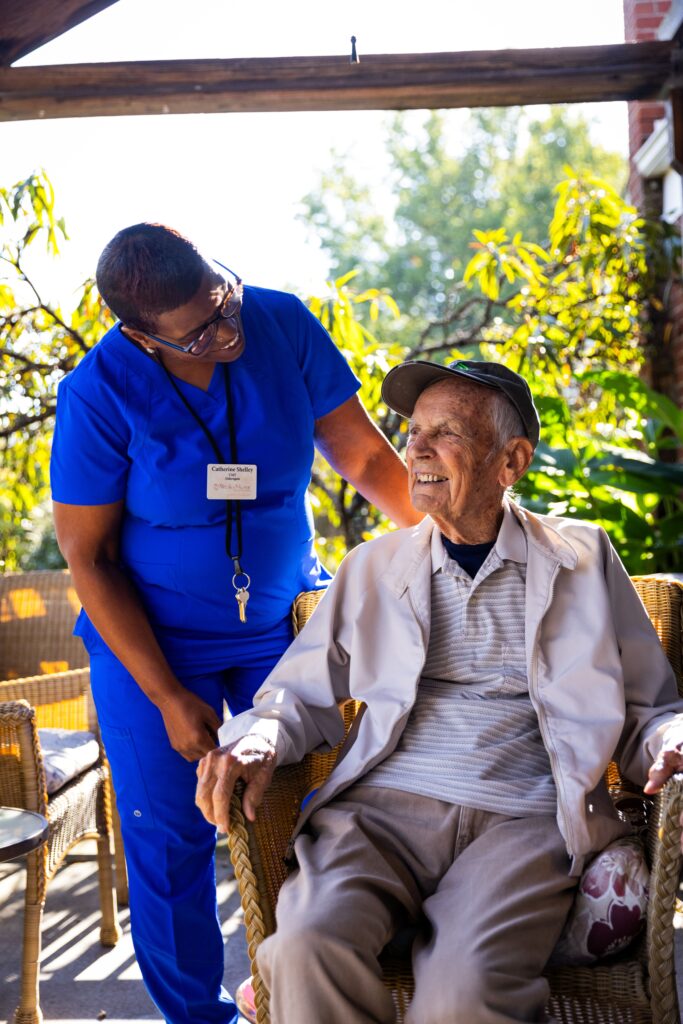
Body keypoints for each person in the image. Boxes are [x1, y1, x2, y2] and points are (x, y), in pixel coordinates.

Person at [196, 358, 683, 1024]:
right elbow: (296, 696)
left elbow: (646, 708)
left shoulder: (583, 559)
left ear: (511, 460)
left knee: (465, 991)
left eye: (444, 431)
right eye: (413, 430)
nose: (414, 449)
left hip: (523, 818)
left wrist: (668, 736)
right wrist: (257, 737)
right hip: (378, 817)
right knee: (305, 948)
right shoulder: (373, 566)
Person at [50, 223, 421, 1024]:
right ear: (140, 336)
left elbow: (363, 460)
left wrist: (463, 541)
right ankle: (199, 1016)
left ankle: (303, 994)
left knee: (309, 812)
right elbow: (91, 560)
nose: (227, 333)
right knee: (170, 835)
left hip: (279, 619)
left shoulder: (279, 322)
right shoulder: (99, 391)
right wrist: (163, 695)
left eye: (224, 303)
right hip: (152, 639)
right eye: (199, 331)